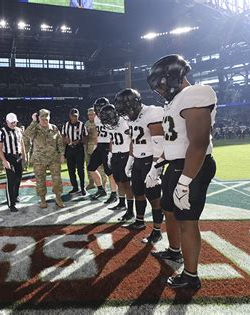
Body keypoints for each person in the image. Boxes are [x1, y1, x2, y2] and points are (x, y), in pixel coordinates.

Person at [147, 54, 217, 290]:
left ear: (173, 77)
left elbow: (198, 143)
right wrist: (157, 164)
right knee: (169, 209)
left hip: (192, 167)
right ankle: (174, 251)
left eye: (161, 83)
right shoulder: (175, 101)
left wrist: (185, 181)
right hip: (175, 165)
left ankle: (191, 275)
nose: (159, 89)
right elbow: (175, 142)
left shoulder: (196, 94)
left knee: (187, 221)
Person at [114, 88, 165, 244]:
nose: (126, 114)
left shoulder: (152, 113)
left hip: (151, 160)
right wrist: (130, 161)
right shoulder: (131, 117)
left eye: (127, 109)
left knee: (154, 197)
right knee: (138, 192)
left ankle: (157, 230)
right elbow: (134, 141)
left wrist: (156, 168)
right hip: (137, 160)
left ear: (135, 104)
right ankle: (140, 221)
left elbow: (159, 143)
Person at [97, 104, 134, 220]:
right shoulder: (109, 125)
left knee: (127, 183)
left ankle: (130, 210)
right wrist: (110, 153)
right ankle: (122, 203)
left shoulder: (125, 121)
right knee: (118, 181)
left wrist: (131, 156)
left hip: (126, 154)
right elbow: (112, 139)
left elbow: (133, 138)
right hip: (116, 155)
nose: (107, 122)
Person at [24, 109, 65, 208]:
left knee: (57, 180)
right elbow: (27, 134)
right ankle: (42, 199)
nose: (45, 121)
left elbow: (59, 142)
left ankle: (58, 198)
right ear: (39, 118)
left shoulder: (54, 128)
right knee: (40, 180)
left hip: (53, 159)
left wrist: (62, 154)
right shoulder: (35, 129)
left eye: (46, 119)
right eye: (42, 119)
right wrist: (33, 121)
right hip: (39, 160)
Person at [87, 97, 118, 203]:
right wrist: (95, 145)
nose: (98, 110)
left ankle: (114, 193)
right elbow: (97, 132)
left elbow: (114, 134)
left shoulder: (112, 116)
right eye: (97, 107)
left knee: (109, 172)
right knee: (91, 168)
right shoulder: (96, 118)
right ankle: (101, 190)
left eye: (100, 107)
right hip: (100, 145)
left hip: (108, 145)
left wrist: (111, 150)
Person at [0, 113, 26, 212]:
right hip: (9, 157)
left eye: (15, 122)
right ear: (7, 122)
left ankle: (16, 196)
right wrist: (4, 161)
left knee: (18, 179)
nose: (14, 124)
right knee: (11, 181)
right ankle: (11, 204)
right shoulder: (2, 132)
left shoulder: (19, 130)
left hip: (18, 157)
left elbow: (21, 143)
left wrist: (24, 156)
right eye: (12, 122)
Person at [61, 108, 88, 196]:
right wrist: (66, 140)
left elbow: (86, 138)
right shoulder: (65, 125)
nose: (74, 118)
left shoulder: (82, 125)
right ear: (70, 116)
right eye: (73, 116)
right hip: (69, 149)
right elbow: (63, 137)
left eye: (76, 116)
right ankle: (75, 187)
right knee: (71, 169)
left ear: (78, 116)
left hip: (79, 149)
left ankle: (83, 187)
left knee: (80, 169)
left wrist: (79, 141)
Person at [84, 107, 107, 190]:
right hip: (88, 148)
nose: (90, 116)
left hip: (97, 148)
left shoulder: (99, 122)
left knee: (99, 168)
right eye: (89, 115)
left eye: (92, 114)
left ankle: (103, 185)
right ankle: (91, 183)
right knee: (89, 167)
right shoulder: (86, 123)